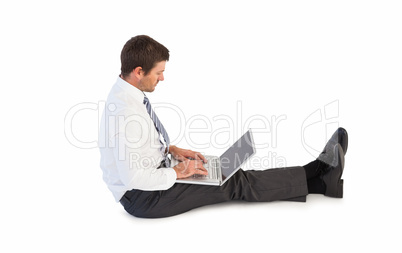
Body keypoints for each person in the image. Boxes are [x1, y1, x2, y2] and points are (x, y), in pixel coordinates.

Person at [99, 35, 348, 218]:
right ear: (139, 71)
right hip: (144, 196)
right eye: (158, 73)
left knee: (223, 171)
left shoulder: (127, 93)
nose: (162, 78)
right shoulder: (124, 114)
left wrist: (171, 150)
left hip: (155, 173)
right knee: (231, 182)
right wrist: (178, 172)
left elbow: (137, 150)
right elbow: (133, 176)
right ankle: (319, 176)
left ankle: (318, 178)